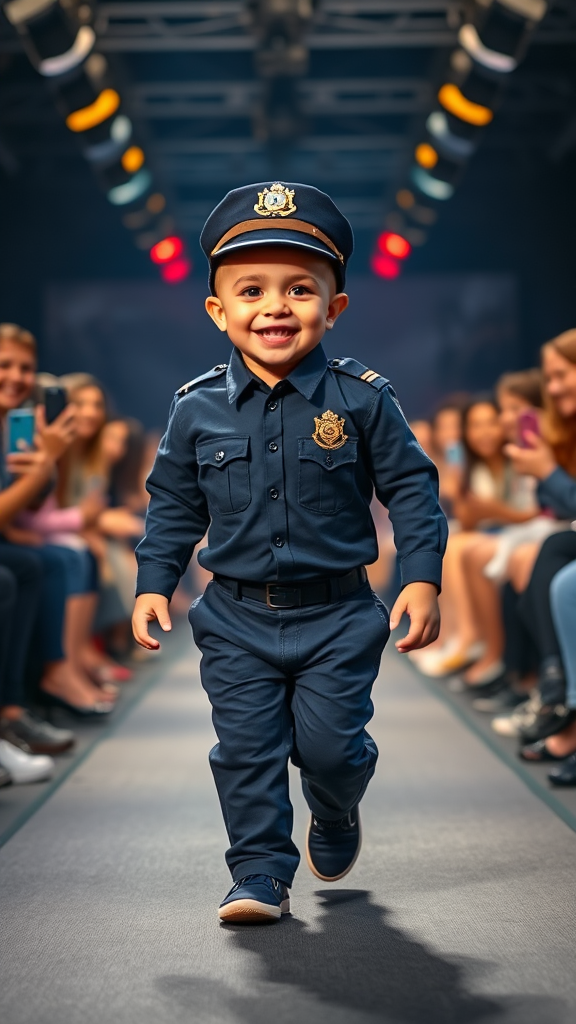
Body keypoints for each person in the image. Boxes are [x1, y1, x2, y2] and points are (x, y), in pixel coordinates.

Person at [133, 181, 447, 923]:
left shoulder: (364, 399)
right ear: (218, 311)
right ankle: (259, 875)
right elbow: (173, 502)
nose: (275, 306)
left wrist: (423, 578)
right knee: (245, 752)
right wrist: (154, 581)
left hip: (339, 614)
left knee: (332, 750)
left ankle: (335, 809)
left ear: (333, 308)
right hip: (235, 618)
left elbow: (413, 491)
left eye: (300, 289)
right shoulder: (195, 406)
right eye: (251, 290)